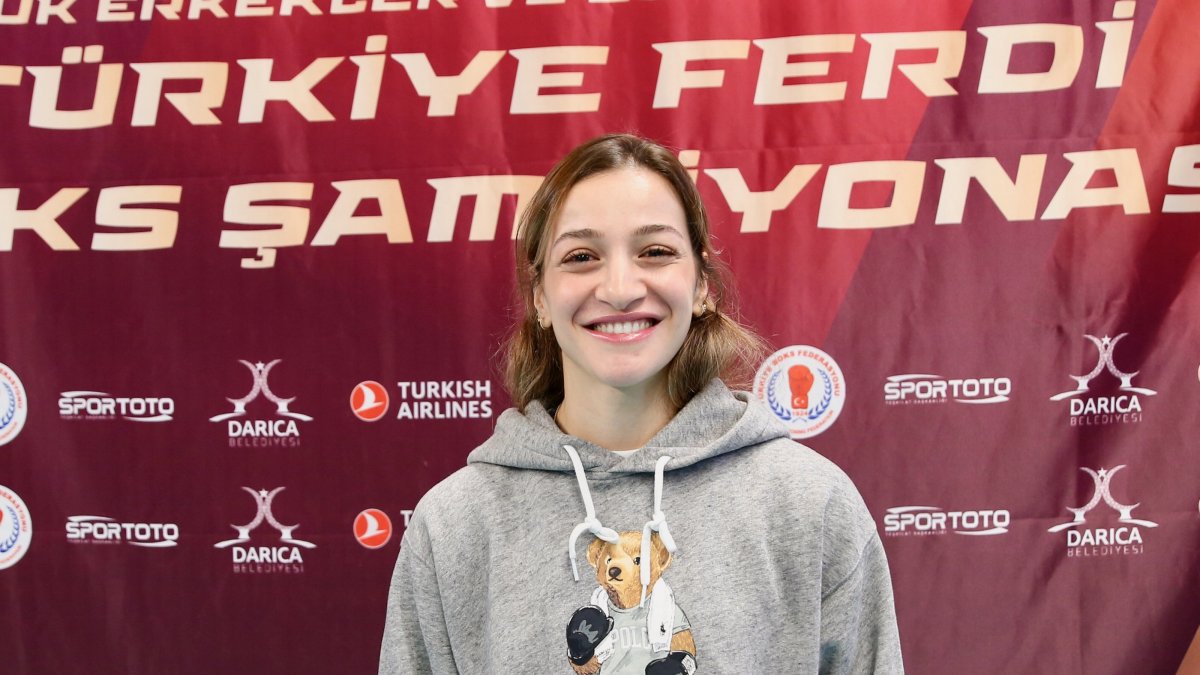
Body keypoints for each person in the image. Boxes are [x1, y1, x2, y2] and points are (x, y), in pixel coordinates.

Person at [380, 134, 903, 674]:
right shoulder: (454, 526)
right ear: (539, 297)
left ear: (701, 285)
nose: (620, 288)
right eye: (581, 257)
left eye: (655, 252)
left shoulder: (809, 504)